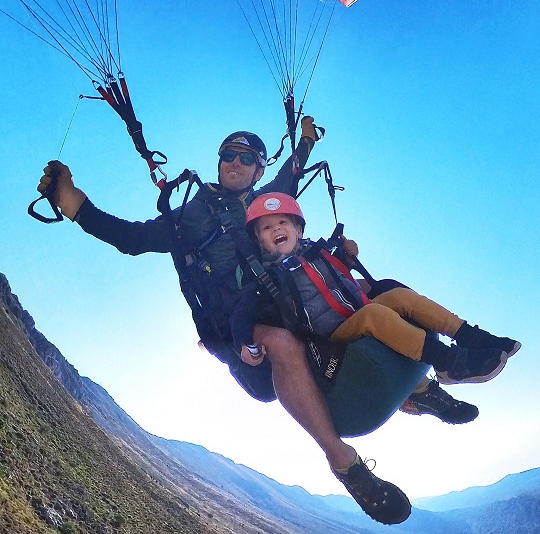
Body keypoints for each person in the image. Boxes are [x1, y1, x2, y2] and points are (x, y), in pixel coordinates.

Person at [35, 126, 475, 525]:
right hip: (241, 330)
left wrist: (306, 139)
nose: (236, 163)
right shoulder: (189, 217)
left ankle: (421, 389)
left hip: (291, 304)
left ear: (258, 168)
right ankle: (347, 466)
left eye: (248, 159)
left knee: (376, 294)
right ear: (219, 160)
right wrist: (73, 202)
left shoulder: (263, 205)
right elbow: (130, 238)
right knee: (284, 342)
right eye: (229, 154)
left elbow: (292, 174)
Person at [237, 193, 520, 387]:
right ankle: (448, 363)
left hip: (356, 310)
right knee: (374, 314)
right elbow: (242, 313)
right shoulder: (267, 278)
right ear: (260, 241)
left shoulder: (318, 251)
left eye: (283, 222)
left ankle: (471, 337)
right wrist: (243, 345)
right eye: (267, 228)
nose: (276, 229)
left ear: (298, 229)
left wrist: (348, 254)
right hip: (332, 336)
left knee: (400, 297)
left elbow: (340, 274)